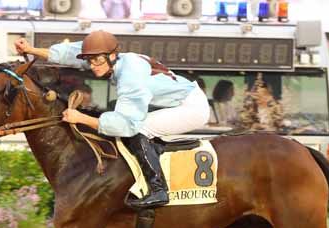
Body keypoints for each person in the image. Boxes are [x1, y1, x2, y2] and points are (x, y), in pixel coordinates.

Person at [14, 31, 209, 209]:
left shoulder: (129, 74)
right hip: (174, 102)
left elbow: (127, 125)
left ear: (112, 56)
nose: (92, 66)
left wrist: (82, 118)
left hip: (191, 108)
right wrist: (31, 49)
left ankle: (158, 190)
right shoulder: (111, 58)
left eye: (96, 60)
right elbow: (72, 53)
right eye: (89, 61)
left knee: (139, 130)